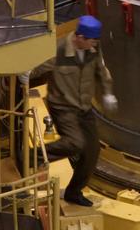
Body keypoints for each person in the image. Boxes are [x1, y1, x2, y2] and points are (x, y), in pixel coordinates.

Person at [22, 14, 117, 207]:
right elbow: (36, 68)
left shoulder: (92, 48)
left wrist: (108, 93)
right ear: (79, 38)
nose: (94, 45)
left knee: (92, 151)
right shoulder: (59, 50)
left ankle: (74, 192)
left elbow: (101, 71)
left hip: (83, 107)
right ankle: (31, 156)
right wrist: (24, 74)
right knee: (75, 143)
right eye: (91, 40)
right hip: (62, 106)